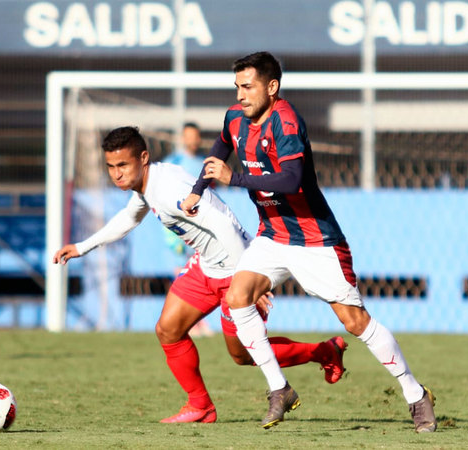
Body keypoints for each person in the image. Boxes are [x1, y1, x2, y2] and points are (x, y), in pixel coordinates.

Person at [180, 51, 437, 432]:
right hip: (273, 236)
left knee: (355, 322)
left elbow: (290, 181)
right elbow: (220, 149)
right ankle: (279, 388)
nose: (240, 95)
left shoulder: (286, 121)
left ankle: (416, 396)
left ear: (272, 87)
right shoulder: (235, 118)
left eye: (247, 86)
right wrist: (198, 190)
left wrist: (233, 180)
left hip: (316, 239)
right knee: (237, 298)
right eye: (236, 86)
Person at [53, 126, 347, 424]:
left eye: (123, 165)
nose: (117, 174)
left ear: (143, 158)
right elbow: (130, 216)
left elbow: (224, 226)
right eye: (111, 167)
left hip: (235, 267)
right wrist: (82, 247)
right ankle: (200, 405)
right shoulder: (148, 184)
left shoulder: (169, 190)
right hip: (206, 266)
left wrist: (248, 280)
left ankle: (324, 352)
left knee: (243, 355)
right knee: (168, 330)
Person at [163, 122, 213, 337]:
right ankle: (187, 323)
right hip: (179, 228)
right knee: (182, 276)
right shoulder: (173, 162)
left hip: (201, 225)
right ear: (183, 138)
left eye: (196, 136)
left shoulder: (205, 163)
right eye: (189, 136)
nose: (193, 140)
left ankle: (198, 322)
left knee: (202, 274)